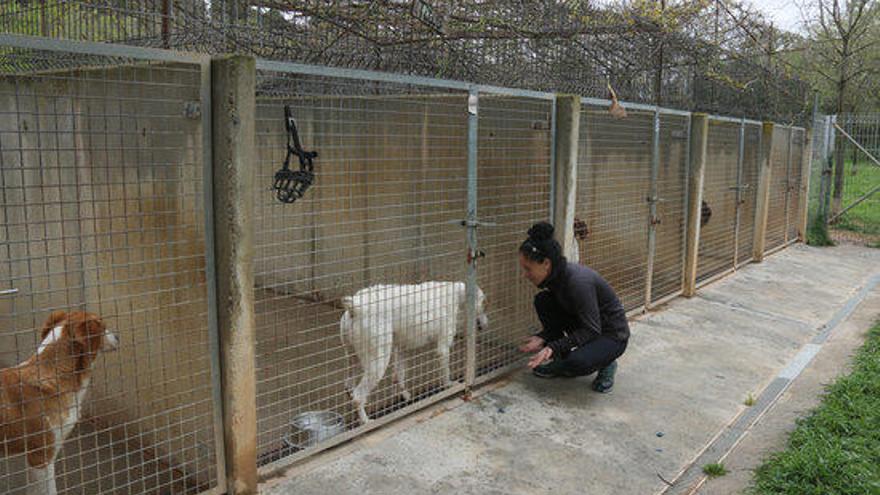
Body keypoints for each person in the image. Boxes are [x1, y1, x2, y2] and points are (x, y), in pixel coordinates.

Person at [517, 222, 630, 392]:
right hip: (589, 324)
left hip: (611, 335)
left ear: (546, 264)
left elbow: (591, 330)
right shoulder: (555, 278)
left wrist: (552, 347)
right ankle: (560, 361)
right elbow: (561, 318)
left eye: (528, 269)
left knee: (577, 363)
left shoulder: (578, 282)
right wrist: (544, 337)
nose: (525, 275)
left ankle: (607, 363)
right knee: (543, 300)